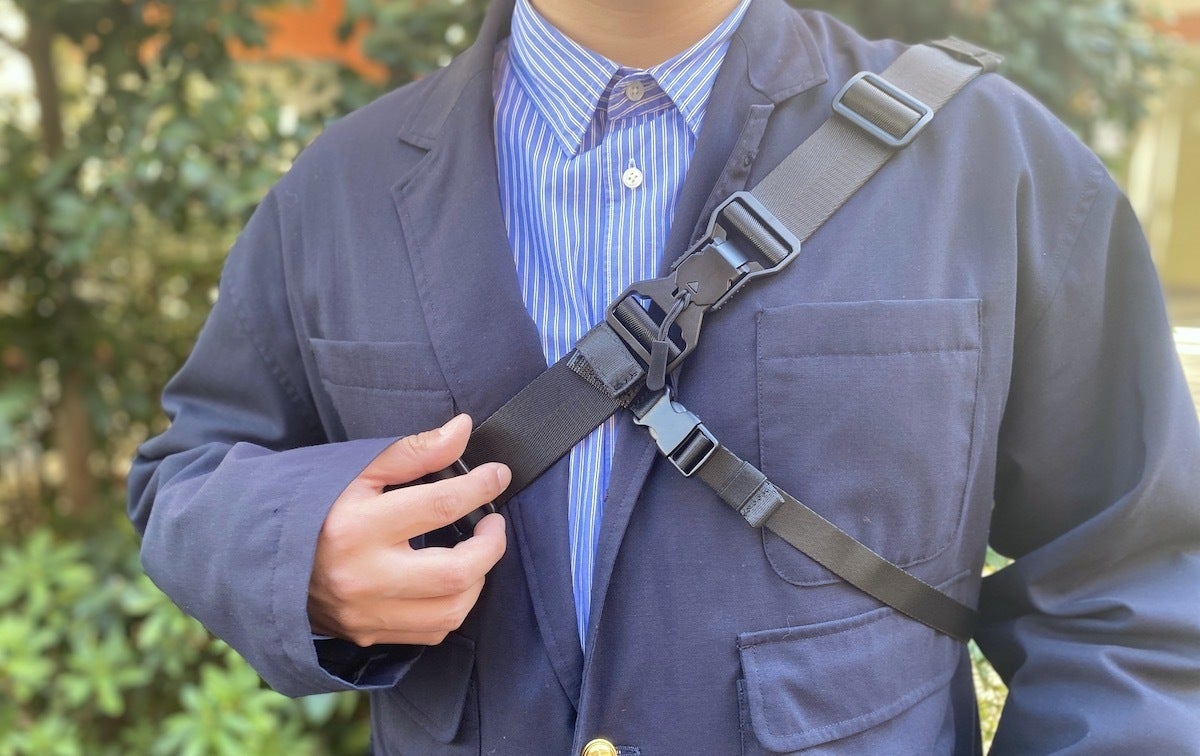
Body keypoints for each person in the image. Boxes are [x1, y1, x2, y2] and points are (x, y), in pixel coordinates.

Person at [128, 0, 1200, 752]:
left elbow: (1137, 569)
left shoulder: (990, 162)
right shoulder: (337, 192)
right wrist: (298, 554)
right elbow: (190, 469)